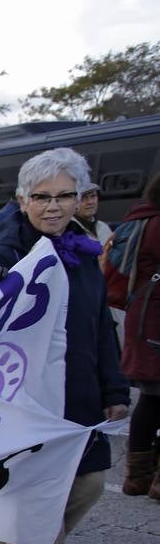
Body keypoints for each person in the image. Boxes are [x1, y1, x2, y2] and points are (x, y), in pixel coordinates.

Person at [0, 147, 130, 544]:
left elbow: (101, 327)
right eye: (41, 197)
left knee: (87, 484)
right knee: (40, 493)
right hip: (27, 399)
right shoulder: (14, 244)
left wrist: (116, 387)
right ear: (23, 200)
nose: (53, 206)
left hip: (80, 394)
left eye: (64, 196)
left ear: (80, 198)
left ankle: (3, 542)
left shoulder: (84, 252)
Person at [116, 173, 160, 500]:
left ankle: (139, 475)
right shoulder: (156, 225)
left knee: (151, 397)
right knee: (152, 397)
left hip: (144, 318)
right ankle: (149, 478)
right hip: (153, 320)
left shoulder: (143, 219)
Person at [76, 182, 112, 248]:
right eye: (83, 198)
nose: (90, 202)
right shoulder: (68, 230)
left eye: (93, 196)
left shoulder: (103, 227)